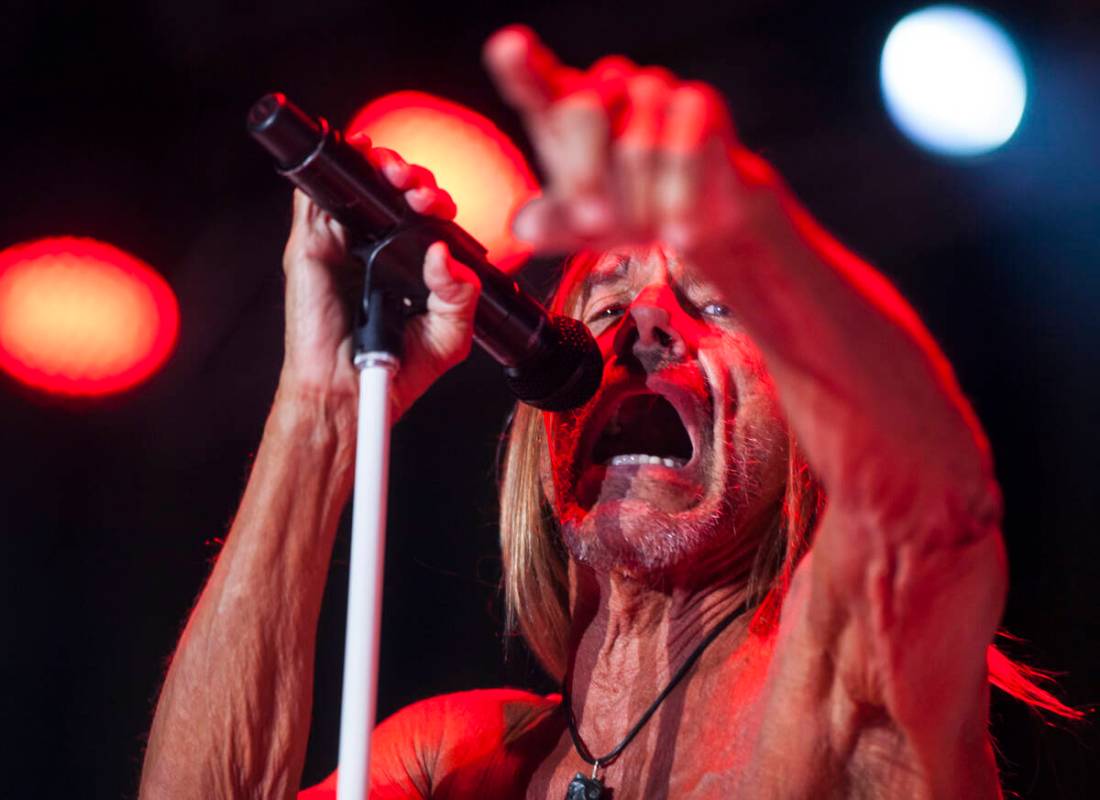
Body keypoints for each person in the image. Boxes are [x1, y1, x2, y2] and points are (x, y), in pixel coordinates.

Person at [139, 26, 1076, 799]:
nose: (646, 325)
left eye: (713, 305)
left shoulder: (850, 684)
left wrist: (748, 221)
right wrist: (321, 414)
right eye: (606, 301)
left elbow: (933, 502)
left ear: (806, 437)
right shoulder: (464, 758)